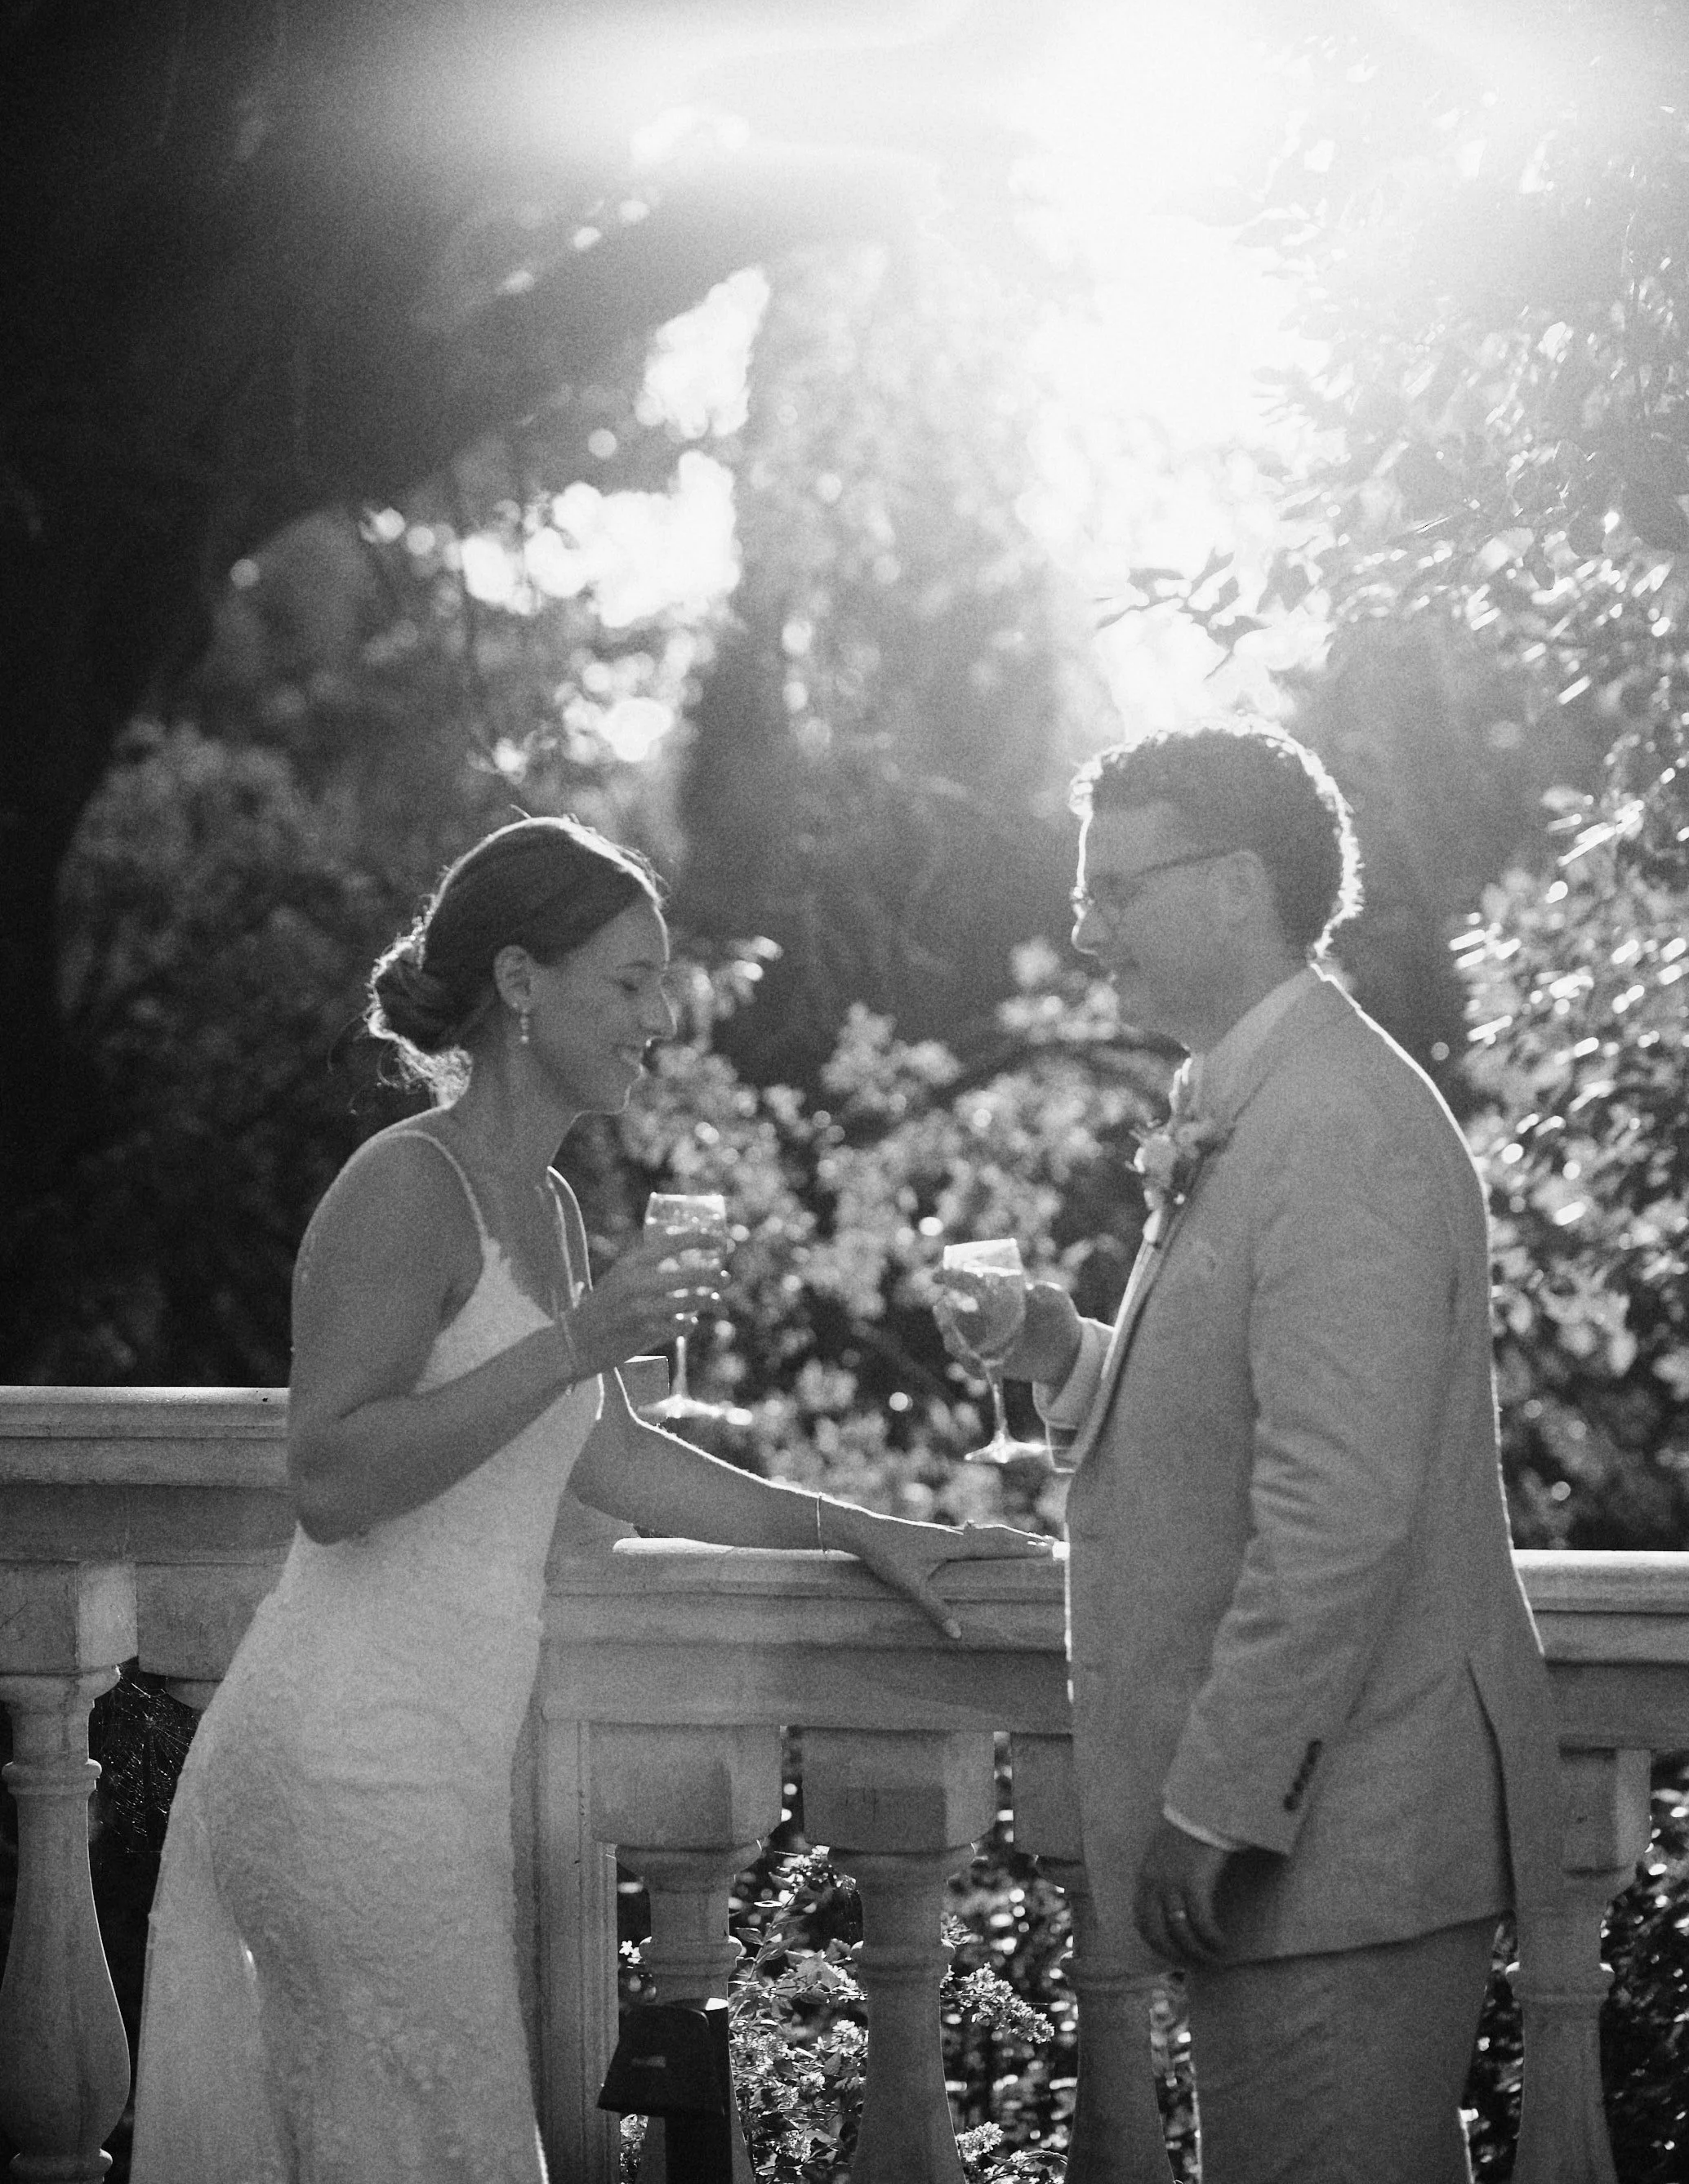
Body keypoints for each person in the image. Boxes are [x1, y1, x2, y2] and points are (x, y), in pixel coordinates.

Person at [131, 815, 1038, 2184]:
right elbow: (329, 1481)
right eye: (629, 982)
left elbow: (609, 1458)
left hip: (429, 1767)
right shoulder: (405, 1186)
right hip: (337, 1761)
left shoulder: (546, 1205)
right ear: (518, 982)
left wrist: (857, 1525)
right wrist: (578, 1342)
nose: (662, 1019)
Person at [965, 725, 1565, 2184]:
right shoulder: (1259, 1096)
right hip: (1322, 1848)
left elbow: (1336, 1515)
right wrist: (1068, 1355)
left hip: (1342, 1836)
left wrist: (1216, 1800)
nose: (1089, 932)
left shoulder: (1337, 1121)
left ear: (1235, 886)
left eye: (1119, 889)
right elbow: (1246, 1426)